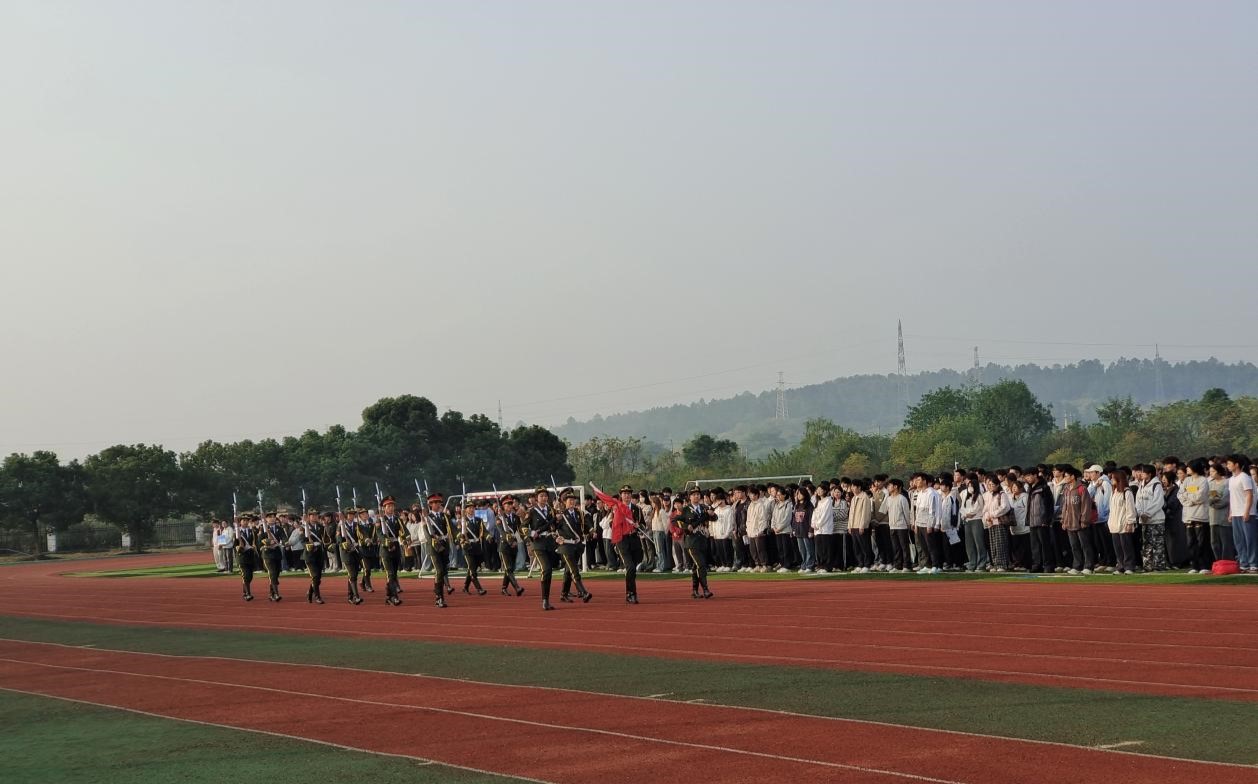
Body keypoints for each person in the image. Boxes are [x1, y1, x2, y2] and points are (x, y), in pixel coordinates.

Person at [590, 483, 645, 604]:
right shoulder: (616, 508)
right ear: (621, 495)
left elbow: (643, 525)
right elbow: (611, 524)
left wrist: (638, 526)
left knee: (633, 567)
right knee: (630, 567)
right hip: (622, 540)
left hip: (634, 539)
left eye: (629, 494)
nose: (627, 496)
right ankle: (631, 593)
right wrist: (618, 524)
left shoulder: (637, 509)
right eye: (624, 494)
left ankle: (630, 588)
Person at [1059, 466, 1097, 575]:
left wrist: (1084, 520)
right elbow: (1065, 507)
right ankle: (1077, 566)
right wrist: (1064, 520)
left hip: (1080, 522)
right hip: (1069, 522)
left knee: (1085, 545)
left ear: (1072, 476)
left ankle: (1089, 566)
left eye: (1066, 476)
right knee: (1074, 546)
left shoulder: (1082, 489)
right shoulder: (1066, 489)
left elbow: (1086, 506)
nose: (1065, 478)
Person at [557, 491, 593, 603]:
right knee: (574, 570)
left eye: (573, 500)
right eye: (569, 500)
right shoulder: (561, 515)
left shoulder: (579, 513)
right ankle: (583, 592)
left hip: (577, 546)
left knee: (568, 571)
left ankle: (564, 594)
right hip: (566, 546)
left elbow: (585, 525)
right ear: (564, 502)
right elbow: (553, 528)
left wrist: (591, 530)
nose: (572, 502)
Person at [680, 487, 715, 598]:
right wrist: (687, 527)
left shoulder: (704, 507)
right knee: (701, 565)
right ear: (690, 497)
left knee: (696, 566)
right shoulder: (686, 509)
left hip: (703, 541)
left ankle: (695, 590)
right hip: (692, 542)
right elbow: (679, 523)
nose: (696, 496)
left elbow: (715, 518)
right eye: (694, 494)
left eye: (698, 494)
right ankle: (705, 589)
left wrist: (711, 514)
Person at [1178, 459, 1212, 573]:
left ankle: (1204, 566)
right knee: (1191, 542)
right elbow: (1180, 494)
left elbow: (1200, 497)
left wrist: (1188, 496)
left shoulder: (1203, 481)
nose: (1187, 469)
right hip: (1188, 515)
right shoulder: (1187, 480)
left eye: (1188, 467)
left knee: (1202, 542)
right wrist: (1189, 500)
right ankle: (1195, 565)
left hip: (1199, 515)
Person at [528, 487, 559, 610]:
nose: (544, 498)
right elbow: (523, 527)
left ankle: (547, 599)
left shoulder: (552, 510)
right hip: (538, 543)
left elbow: (555, 525)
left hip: (550, 543)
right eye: (541, 496)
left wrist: (558, 518)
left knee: (549, 571)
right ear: (537, 498)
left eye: (545, 496)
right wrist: (531, 533)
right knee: (545, 569)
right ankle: (544, 600)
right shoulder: (532, 511)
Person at [1225, 455, 1257, 573]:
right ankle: (1244, 563)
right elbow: (1232, 497)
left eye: (1229, 463)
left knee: (1250, 539)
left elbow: (1249, 495)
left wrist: (1247, 511)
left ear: (1236, 464)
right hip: (1235, 513)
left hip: (1247, 513)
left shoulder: (1245, 477)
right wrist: (1230, 512)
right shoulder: (1231, 479)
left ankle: (1253, 563)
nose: (1227, 466)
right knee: (1239, 540)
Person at [1134, 464, 1167, 572]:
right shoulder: (1141, 485)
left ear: (1149, 474)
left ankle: (1159, 565)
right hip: (1144, 520)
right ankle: (1147, 565)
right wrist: (1140, 513)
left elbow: (1158, 502)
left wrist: (1147, 514)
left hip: (1156, 519)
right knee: (1146, 544)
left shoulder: (1156, 485)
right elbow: (1138, 501)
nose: (1141, 474)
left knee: (1157, 543)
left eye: (1143, 472)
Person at [423, 493, 454, 607]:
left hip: (444, 545)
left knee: (444, 571)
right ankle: (439, 597)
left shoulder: (444, 516)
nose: (437, 504)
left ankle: (439, 591)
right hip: (434, 548)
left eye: (439, 502)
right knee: (439, 571)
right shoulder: (427, 518)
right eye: (435, 503)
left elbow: (452, 529)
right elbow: (427, 534)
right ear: (430, 505)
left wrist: (458, 538)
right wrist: (433, 541)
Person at [1024, 468, 1057, 573]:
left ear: (1035, 475)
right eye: (1026, 476)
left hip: (1042, 521)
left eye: (1029, 476)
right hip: (1032, 521)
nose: (1027, 478)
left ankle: (1048, 565)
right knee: (1035, 545)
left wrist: (1046, 519)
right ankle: (1036, 565)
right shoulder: (1030, 488)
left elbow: (1049, 505)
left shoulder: (1044, 488)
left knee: (1045, 545)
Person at [911, 473, 943, 574]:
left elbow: (933, 510)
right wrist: (916, 524)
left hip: (928, 524)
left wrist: (932, 524)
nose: (916, 482)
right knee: (923, 546)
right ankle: (928, 565)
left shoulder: (931, 493)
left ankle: (936, 566)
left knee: (931, 546)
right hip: (920, 523)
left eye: (918, 480)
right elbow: (917, 510)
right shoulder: (920, 493)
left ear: (924, 481)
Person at [1109, 468, 1139, 574]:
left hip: (1123, 523)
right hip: (1114, 524)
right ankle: (1121, 565)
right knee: (1118, 547)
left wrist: (1130, 522)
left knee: (1126, 546)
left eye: (1113, 478)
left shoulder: (1127, 492)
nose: (1111, 480)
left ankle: (1129, 566)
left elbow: (1130, 508)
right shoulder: (1114, 492)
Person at [980, 476, 1012, 572]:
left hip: (999, 522)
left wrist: (993, 514)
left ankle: (1002, 564)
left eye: (993, 485)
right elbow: (985, 509)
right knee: (993, 544)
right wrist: (987, 517)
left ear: (998, 485)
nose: (990, 487)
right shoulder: (989, 496)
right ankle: (995, 563)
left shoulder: (1002, 494)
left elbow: (1005, 507)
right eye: (989, 485)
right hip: (991, 523)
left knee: (1000, 544)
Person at [496, 495, 526, 596]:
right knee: (508, 568)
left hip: (514, 545)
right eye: (507, 504)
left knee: (511, 569)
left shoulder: (516, 517)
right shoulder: (499, 518)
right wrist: (510, 542)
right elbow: (502, 531)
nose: (509, 506)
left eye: (510, 504)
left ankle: (504, 588)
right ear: (503, 506)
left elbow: (519, 530)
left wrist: (522, 540)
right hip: (505, 545)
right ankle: (517, 587)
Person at [879, 479, 912, 572]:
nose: (888, 488)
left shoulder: (902, 498)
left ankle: (907, 565)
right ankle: (898, 566)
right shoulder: (888, 499)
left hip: (902, 526)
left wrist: (908, 525)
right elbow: (883, 510)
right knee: (896, 547)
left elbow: (906, 513)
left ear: (896, 486)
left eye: (890, 486)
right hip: (892, 526)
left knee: (904, 547)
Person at [458, 502, 489, 596]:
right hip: (467, 547)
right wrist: (462, 540)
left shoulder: (479, 520)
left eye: (473, 508)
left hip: (477, 546)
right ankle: (479, 589)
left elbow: (484, 531)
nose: (471, 509)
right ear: (466, 510)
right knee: (472, 569)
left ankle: (465, 587)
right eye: (469, 508)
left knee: (473, 568)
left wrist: (488, 536)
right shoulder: (462, 521)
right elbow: (459, 534)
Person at [959, 474, 987, 572]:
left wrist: (970, 513)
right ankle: (972, 563)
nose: (970, 487)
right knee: (969, 544)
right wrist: (965, 515)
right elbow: (962, 508)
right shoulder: (966, 496)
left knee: (979, 542)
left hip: (977, 520)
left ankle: (981, 564)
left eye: (971, 486)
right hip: (967, 521)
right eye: (968, 486)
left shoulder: (979, 496)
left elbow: (978, 508)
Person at [1207, 462, 1235, 560]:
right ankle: (1218, 561)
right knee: (1214, 542)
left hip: (1224, 517)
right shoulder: (1211, 484)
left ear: (1218, 471)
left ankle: (1227, 561)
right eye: (1210, 471)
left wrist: (1213, 501)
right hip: (1213, 517)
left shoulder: (1227, 482)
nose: (1211, 473)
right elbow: (1210, 498)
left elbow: (1225, 499)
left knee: (1226, 541)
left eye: (1213, 471)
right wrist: (1213, 500)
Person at [301, 509, 328, 604]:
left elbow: (325, 539)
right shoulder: (304, 528)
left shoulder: (321, 527)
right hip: (309, 555)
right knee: (315, 576)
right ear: (308, 517)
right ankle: (317, 597)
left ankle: (310, 592)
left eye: (316, 515)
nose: (315, 517)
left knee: (318, 578)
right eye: (312, 515)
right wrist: (308, 545)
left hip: (319, 554)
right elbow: (302, 541)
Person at [337, 510, 364, 605]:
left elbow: (361, 535)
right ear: (346, 516)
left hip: (356, 552)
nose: (352, 516)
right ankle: (356, 596)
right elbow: (338, 539)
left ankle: (350, 595)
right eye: (350, 514)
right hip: (347, 553)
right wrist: (344, 544)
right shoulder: (341, 525)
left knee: (354, 574)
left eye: (353, 514)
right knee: (352, 574)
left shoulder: (357, 525)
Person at [848, 479, 874, 572]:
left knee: (865, 546)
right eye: (851, 486)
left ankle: (867, 564)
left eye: (854, 486)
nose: (852, 488)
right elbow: (851, 513)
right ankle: (860, 563)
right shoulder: (854, 498)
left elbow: (865, 513)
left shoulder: (865, 497)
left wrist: (862, 525)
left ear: (859, 487)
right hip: (853, 526)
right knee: (856, 547)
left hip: (861, 526)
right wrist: (849, 526)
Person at [259, 510, 286, 601]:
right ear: (266, 519)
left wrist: (286, 542)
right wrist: (267, 542)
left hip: (277, 553)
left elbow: (283, 537)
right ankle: (276, 594)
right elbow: (259, 541)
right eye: (270, 517)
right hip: (267, 554)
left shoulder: (279, 528)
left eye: (274, 517)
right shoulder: (263, 528)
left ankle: (271, 593)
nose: (272, 518)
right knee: (272, 573)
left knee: (276, 573)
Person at [234, 513, 259, 601]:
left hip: (250, 556)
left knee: (250, 576)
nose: (245, 522)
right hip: (242, 557)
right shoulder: (237, 533)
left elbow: (255, 542)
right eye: (243, 520)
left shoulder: (252, 531)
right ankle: (248, 594)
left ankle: (245, 592)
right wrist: (239, 547)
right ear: (240, 522)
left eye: (247, 520)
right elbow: (235, 544)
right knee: (246, 575)